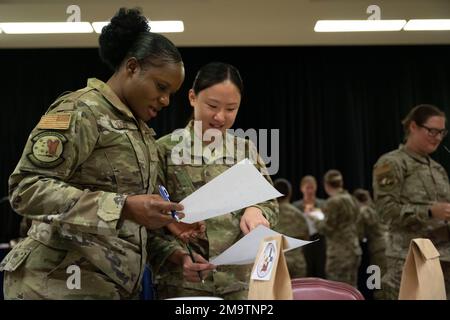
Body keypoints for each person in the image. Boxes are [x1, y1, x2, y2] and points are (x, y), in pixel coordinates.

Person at [0, 8, 185, 299]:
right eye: (161, 87)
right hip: (55, 285)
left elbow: (127, 223)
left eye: (171, 93)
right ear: (132, 67)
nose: (165, 100)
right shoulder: (81, 110)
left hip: (108, 286)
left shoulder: (142, 133)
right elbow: (26, 189)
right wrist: (124, 206)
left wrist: (169, 232)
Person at [150, 62, 279, 299]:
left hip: (239, 283)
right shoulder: (164, 151)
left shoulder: (245, 150)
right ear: (192, 97)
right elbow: (148, 221)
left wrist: (256, 209)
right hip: (185, 283)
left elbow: (270, 203)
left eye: (231, 109)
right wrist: (176, 256)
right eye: (212, 106)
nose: (220, 116)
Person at [373, 104, 450, 300]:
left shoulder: (438, 169)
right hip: (408, 261)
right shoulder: (392, 163)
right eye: (432, 131)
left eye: (442, 132)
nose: (438, 137)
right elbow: (385, 211)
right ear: (413, 127)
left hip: (443, 260)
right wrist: (430, 212)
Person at [316, 170, 362, 286]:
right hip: (354, 249)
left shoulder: (333, 202)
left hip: (339, 254)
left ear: (326, 185)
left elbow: (327, 228)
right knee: (352, 290)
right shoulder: (352, 199)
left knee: (337, 290)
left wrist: (316, 221)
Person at [353, 188, 387, 299]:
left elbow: (360, 234)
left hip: (377, 250)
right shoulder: (377, 208)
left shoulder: (364, 211)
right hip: (389, 246)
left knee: (377, 282)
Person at [272, 178, 309, 278]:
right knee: (298, 293)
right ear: (290, 193)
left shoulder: (270, 215)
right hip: (297, 262)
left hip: (276, 262)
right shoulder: (299, 215)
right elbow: (306, 238)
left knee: (277, 293)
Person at [292, 175, 327, 278]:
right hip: (303, 243)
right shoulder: (296, 206)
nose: (310, 191)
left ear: (316, 187)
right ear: (302, 188)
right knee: (306, 273)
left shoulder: (323, 204)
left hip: (321, 242)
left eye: (312, 187)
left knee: (321, 272)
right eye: (307, 188)